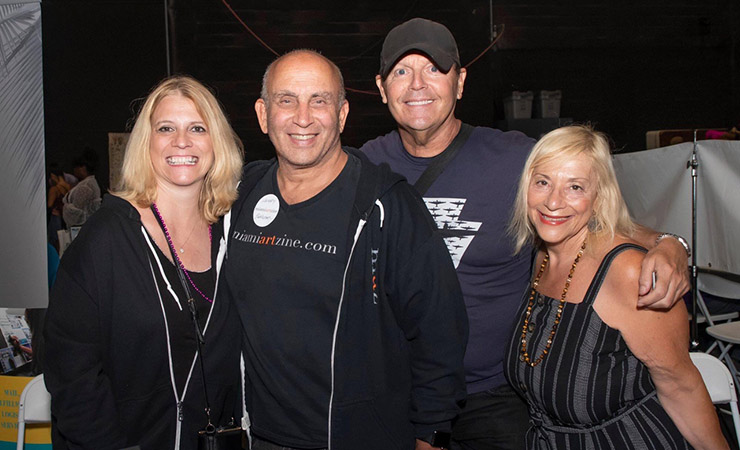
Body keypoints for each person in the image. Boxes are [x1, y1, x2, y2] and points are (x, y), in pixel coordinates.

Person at [360, 17, 692, 450]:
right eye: (402, 72)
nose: (418, 84)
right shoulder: (365, 166)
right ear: (382, 88)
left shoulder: (516, 158)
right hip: (399, 395)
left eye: (434, 70)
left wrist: (671, 245)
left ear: (460, 82)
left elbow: (602, 222)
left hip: (498, 398)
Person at [222, 49, 468, 450]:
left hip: (358, 437)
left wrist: (431, 435)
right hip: (255, 434)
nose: (303, 117)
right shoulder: (240, 195)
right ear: (263, 114)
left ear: (342, 114)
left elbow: (439, 331)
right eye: (287, 100)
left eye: (319, 100)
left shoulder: (386, 206)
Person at [43, 76, 245, 449]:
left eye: (197, 128)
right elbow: (72, 371)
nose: (181, 141)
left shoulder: (233, 235)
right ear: (145, 143)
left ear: (216, 143)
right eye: (166, 128)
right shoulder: (107, 237)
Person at [504, 125, 726, 449]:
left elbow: (681, 387)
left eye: (575, 186)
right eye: (543, 182)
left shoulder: (628, 273)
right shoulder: (543, 257)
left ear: (599, 197)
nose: (553, 201)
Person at [62, 148, 102, 227]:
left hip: (82, 228)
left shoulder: (86, 186)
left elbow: (77, 213)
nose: (74, 171)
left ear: (83, 168)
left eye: (76, 168)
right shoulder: (89, 183)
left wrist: (66, 207)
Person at [46, 164, 71, 251]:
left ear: (53, 175)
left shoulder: (54, 189)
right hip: (65, 217)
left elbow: (50, 205)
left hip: (55, 217)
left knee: (54, 241)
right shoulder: (68, 187)